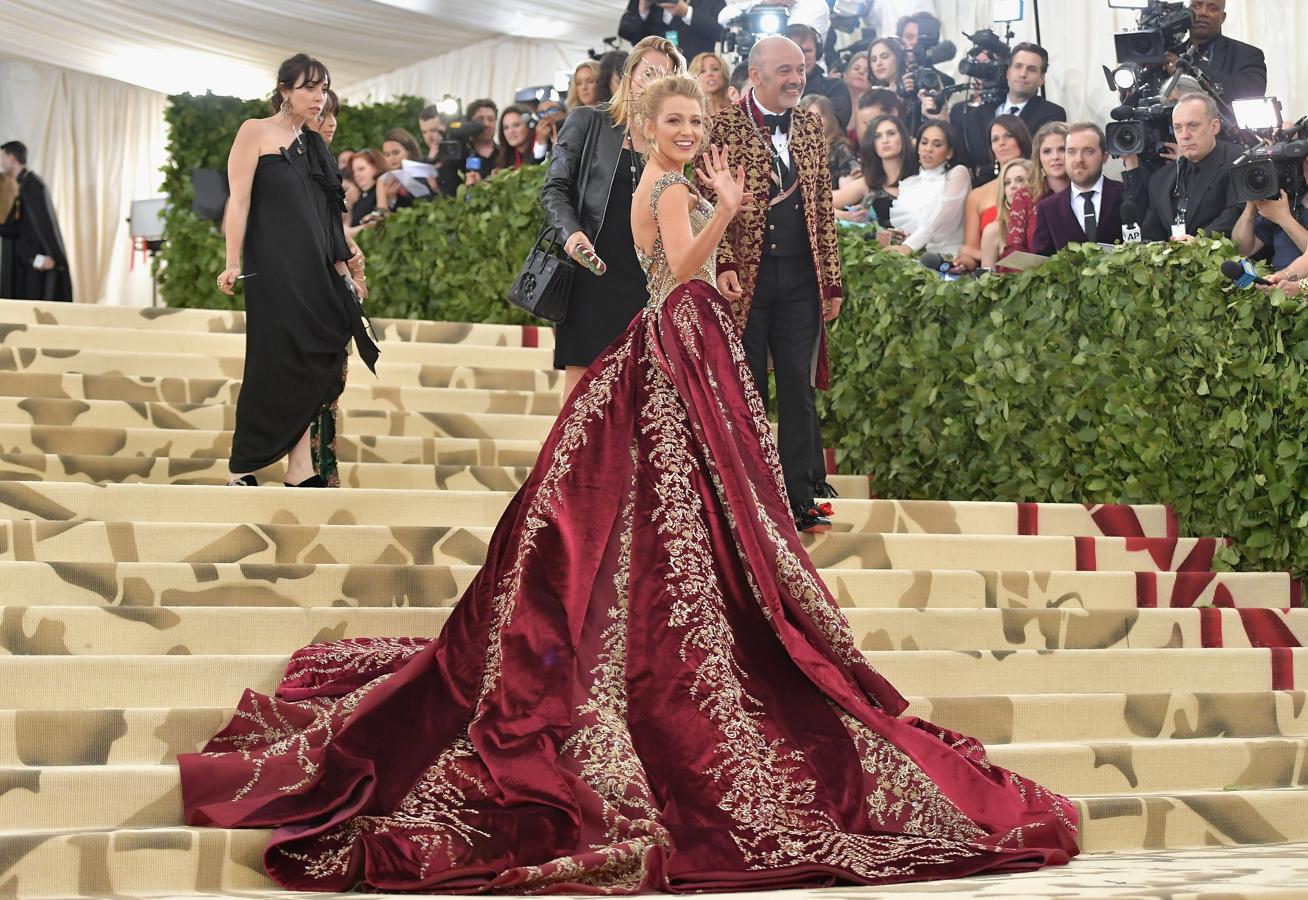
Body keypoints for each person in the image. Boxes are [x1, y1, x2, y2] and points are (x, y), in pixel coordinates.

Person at [179, 72, 1078, 894]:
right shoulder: (668, 187)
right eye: (675, 121)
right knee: (670, 527)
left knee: (690, 527)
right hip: (674, 345)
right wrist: (724, 209)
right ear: (647, 126)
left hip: (684, 347)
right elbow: (683, 270)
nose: (688, 132)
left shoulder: (668, 182)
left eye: (696, 121)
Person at [705, 35, 845, 534]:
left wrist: (831, 281)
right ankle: (747, 497)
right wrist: (721, 261)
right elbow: (707, 202)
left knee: (798, 387)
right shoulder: (720, 125)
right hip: (745, 277)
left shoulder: (809, 124)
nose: (796, 78)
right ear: (757, 73)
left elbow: (822, 207)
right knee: (745, 390)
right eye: (785, 69)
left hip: (801, 280)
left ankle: (804, 497)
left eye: (801, 68)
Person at [213, 53, 373, 489]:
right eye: (310, 88)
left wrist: (344, 274)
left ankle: (299, 466)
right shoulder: (254, 131)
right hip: (272, 269)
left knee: (313, 361)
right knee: (271, 362)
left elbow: (328, 219)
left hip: (315, 272)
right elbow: (239, 201)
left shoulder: (317, 147)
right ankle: (241, 466)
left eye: (324, 89)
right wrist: (232, 262)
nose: (320, 98)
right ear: (285, 90)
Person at [542, 36, 686, 399]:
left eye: (665, 75)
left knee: (639, 393)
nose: (654, 81)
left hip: (648, 278)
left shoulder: (671, 137)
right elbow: (555, 187)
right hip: (592, 266)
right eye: (648, 71)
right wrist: (571, 234)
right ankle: (569, 458)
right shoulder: (589, 121)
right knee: (581, 393)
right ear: (629, 74)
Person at [950, 43, 1066, 182]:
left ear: (1042, 78)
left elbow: (1033, 160)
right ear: (1007, 72)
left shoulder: (1052, 113)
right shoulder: (978, 113)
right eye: (1018, 66)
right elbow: (968, 158)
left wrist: (986, 169)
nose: (1023, 74)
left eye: (1031, 69)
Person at [1136, 93, 1242, 242]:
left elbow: (1235, 214)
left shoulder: (1239, 161)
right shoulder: (1160, 179)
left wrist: (1198, 243)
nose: (1184, 135)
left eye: (1193, 125)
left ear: (1214, 126)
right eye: (1178, 128)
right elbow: (1150, 235)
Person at [1032, 123, 1125, 256]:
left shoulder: (1124, 194)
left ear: (1104, 157)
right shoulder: (1048, 208)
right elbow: (1042, 262)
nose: (1079, 159)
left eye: (1088, 151)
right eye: (1071, 151)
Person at [955, 115, 1031, 271]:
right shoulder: (977, 196)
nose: (1002, 143)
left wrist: (983, 254)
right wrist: (961, 263)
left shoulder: (1040, 184)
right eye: (995, 139)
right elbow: (969, 253)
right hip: (993, 278)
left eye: (1009, 136)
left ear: (1021, 139)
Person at [885, 120, 970, 257]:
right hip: (913, 255)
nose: (928, 149)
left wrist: (908, 246)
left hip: (946, 258)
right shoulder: (910, 183)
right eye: (924, 142)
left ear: (949, 152)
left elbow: (940, 218)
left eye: (937, 145)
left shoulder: (958, 174)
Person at [0, 141, 72, 302]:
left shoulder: (32, 185)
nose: (1, 161)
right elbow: (17, 227)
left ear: (12, 158)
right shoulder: (18, 185)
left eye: (3, 156)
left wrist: (46, 256)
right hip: (24, 260)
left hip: (36, 261)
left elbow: (43, 227)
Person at [1167, 0, 1266, 102]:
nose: (1202, 13)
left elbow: (1254, 91)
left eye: (1212, 9)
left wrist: (1190, 69)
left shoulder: (1247, 54)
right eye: (1196, 6)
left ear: (1222, 18)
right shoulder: (1168, 56)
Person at [832, 114, 916, 226]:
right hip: (881, 242)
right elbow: (818, 204)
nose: (885, 140)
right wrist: (846, 216)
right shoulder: (867, 183)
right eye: (877, 136)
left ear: (903, 137)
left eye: (891, 133)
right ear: (872, 143)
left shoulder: (922, 176)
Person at [1232, 159, 1308, 271]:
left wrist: (1285, 219)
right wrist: (1251, 204)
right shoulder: (1290, 200)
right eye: (1305, 161)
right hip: (1277, 284)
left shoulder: (1282, 212)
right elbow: (1242, 250)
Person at [784, 23, 851, 129]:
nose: (803, 57)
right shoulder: (772, 90)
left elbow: (834, 127)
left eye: (808, 51)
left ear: (818, 52)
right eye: (797, 51)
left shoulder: (835, 88)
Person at [620, 0, 725, 63]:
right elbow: (626, 33)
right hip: (655, 71)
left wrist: (687, 12)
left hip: (695, 71)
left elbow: (722, 33)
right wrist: (643, 9)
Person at [980, 158, 1037, 270]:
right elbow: (986, 280)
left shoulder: (1046, 221)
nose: (1012, 186)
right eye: (1007, 182)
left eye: (1020, 180)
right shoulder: (993, 231)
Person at [799, 94, 857, 188]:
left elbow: (847, 192)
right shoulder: (792, 149)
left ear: (828, 118)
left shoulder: (840, 149)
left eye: (818, 115)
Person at [719, 0, 831, 45]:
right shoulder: (761, 3)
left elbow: (793, 39)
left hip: (807, 74)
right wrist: (762, 2)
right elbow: (723, 18)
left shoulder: (816, 5)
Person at [418, 105, 460, 197]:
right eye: (424, 132)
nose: (428, 137)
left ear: (445, 128)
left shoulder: (459, 155)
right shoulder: (422, 161)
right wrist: (429, 161)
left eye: (433, 130)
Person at [380, 127, 424, 210]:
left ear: (409, 152)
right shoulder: (388, 179)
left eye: (396, 153)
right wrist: (392, 198)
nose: (391, 158)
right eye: (387, 155)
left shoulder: (422, 171)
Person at [347, 148, 388, 232]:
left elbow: (381, 221)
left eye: (361, 169)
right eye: (354, 172)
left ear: (376, 167)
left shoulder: (386, 190)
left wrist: (350, 232)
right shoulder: (361, 197)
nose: (356, 175)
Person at [1029, 121, 1070, 205]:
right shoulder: (1025, 196)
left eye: (1062, 149)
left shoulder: (1090, 191)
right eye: (1047, 151)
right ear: (1038, 157)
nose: (1055, 157)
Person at [495, 105, 546, 172]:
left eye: (516, 125)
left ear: (530, 126)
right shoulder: (506, 158)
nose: (511, 131)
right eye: (506, 128)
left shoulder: (543, 148)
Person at [462, 99, 500, 186]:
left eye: (491, 119)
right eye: (480, 119)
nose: (486, 124)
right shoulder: (461, 153)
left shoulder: (505, 154)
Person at [690, 51, 732, 115]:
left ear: (724, 74)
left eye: (715, 69)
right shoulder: (690, 109)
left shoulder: (736, 107)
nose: (709, 74)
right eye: (702, 71)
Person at [840, 52, 870, 132]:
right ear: (845, 75)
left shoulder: (874, 109)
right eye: (856, 68)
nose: (861, 72)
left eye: (867, 71)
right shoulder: (834, 104)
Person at [531, 98, 568, 162]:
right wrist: (541, 142)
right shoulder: (542, 138)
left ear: (565, 114)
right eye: (541, 113)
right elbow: (535, 167)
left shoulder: (572, 134)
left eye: (552, 111)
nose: (546, 116)